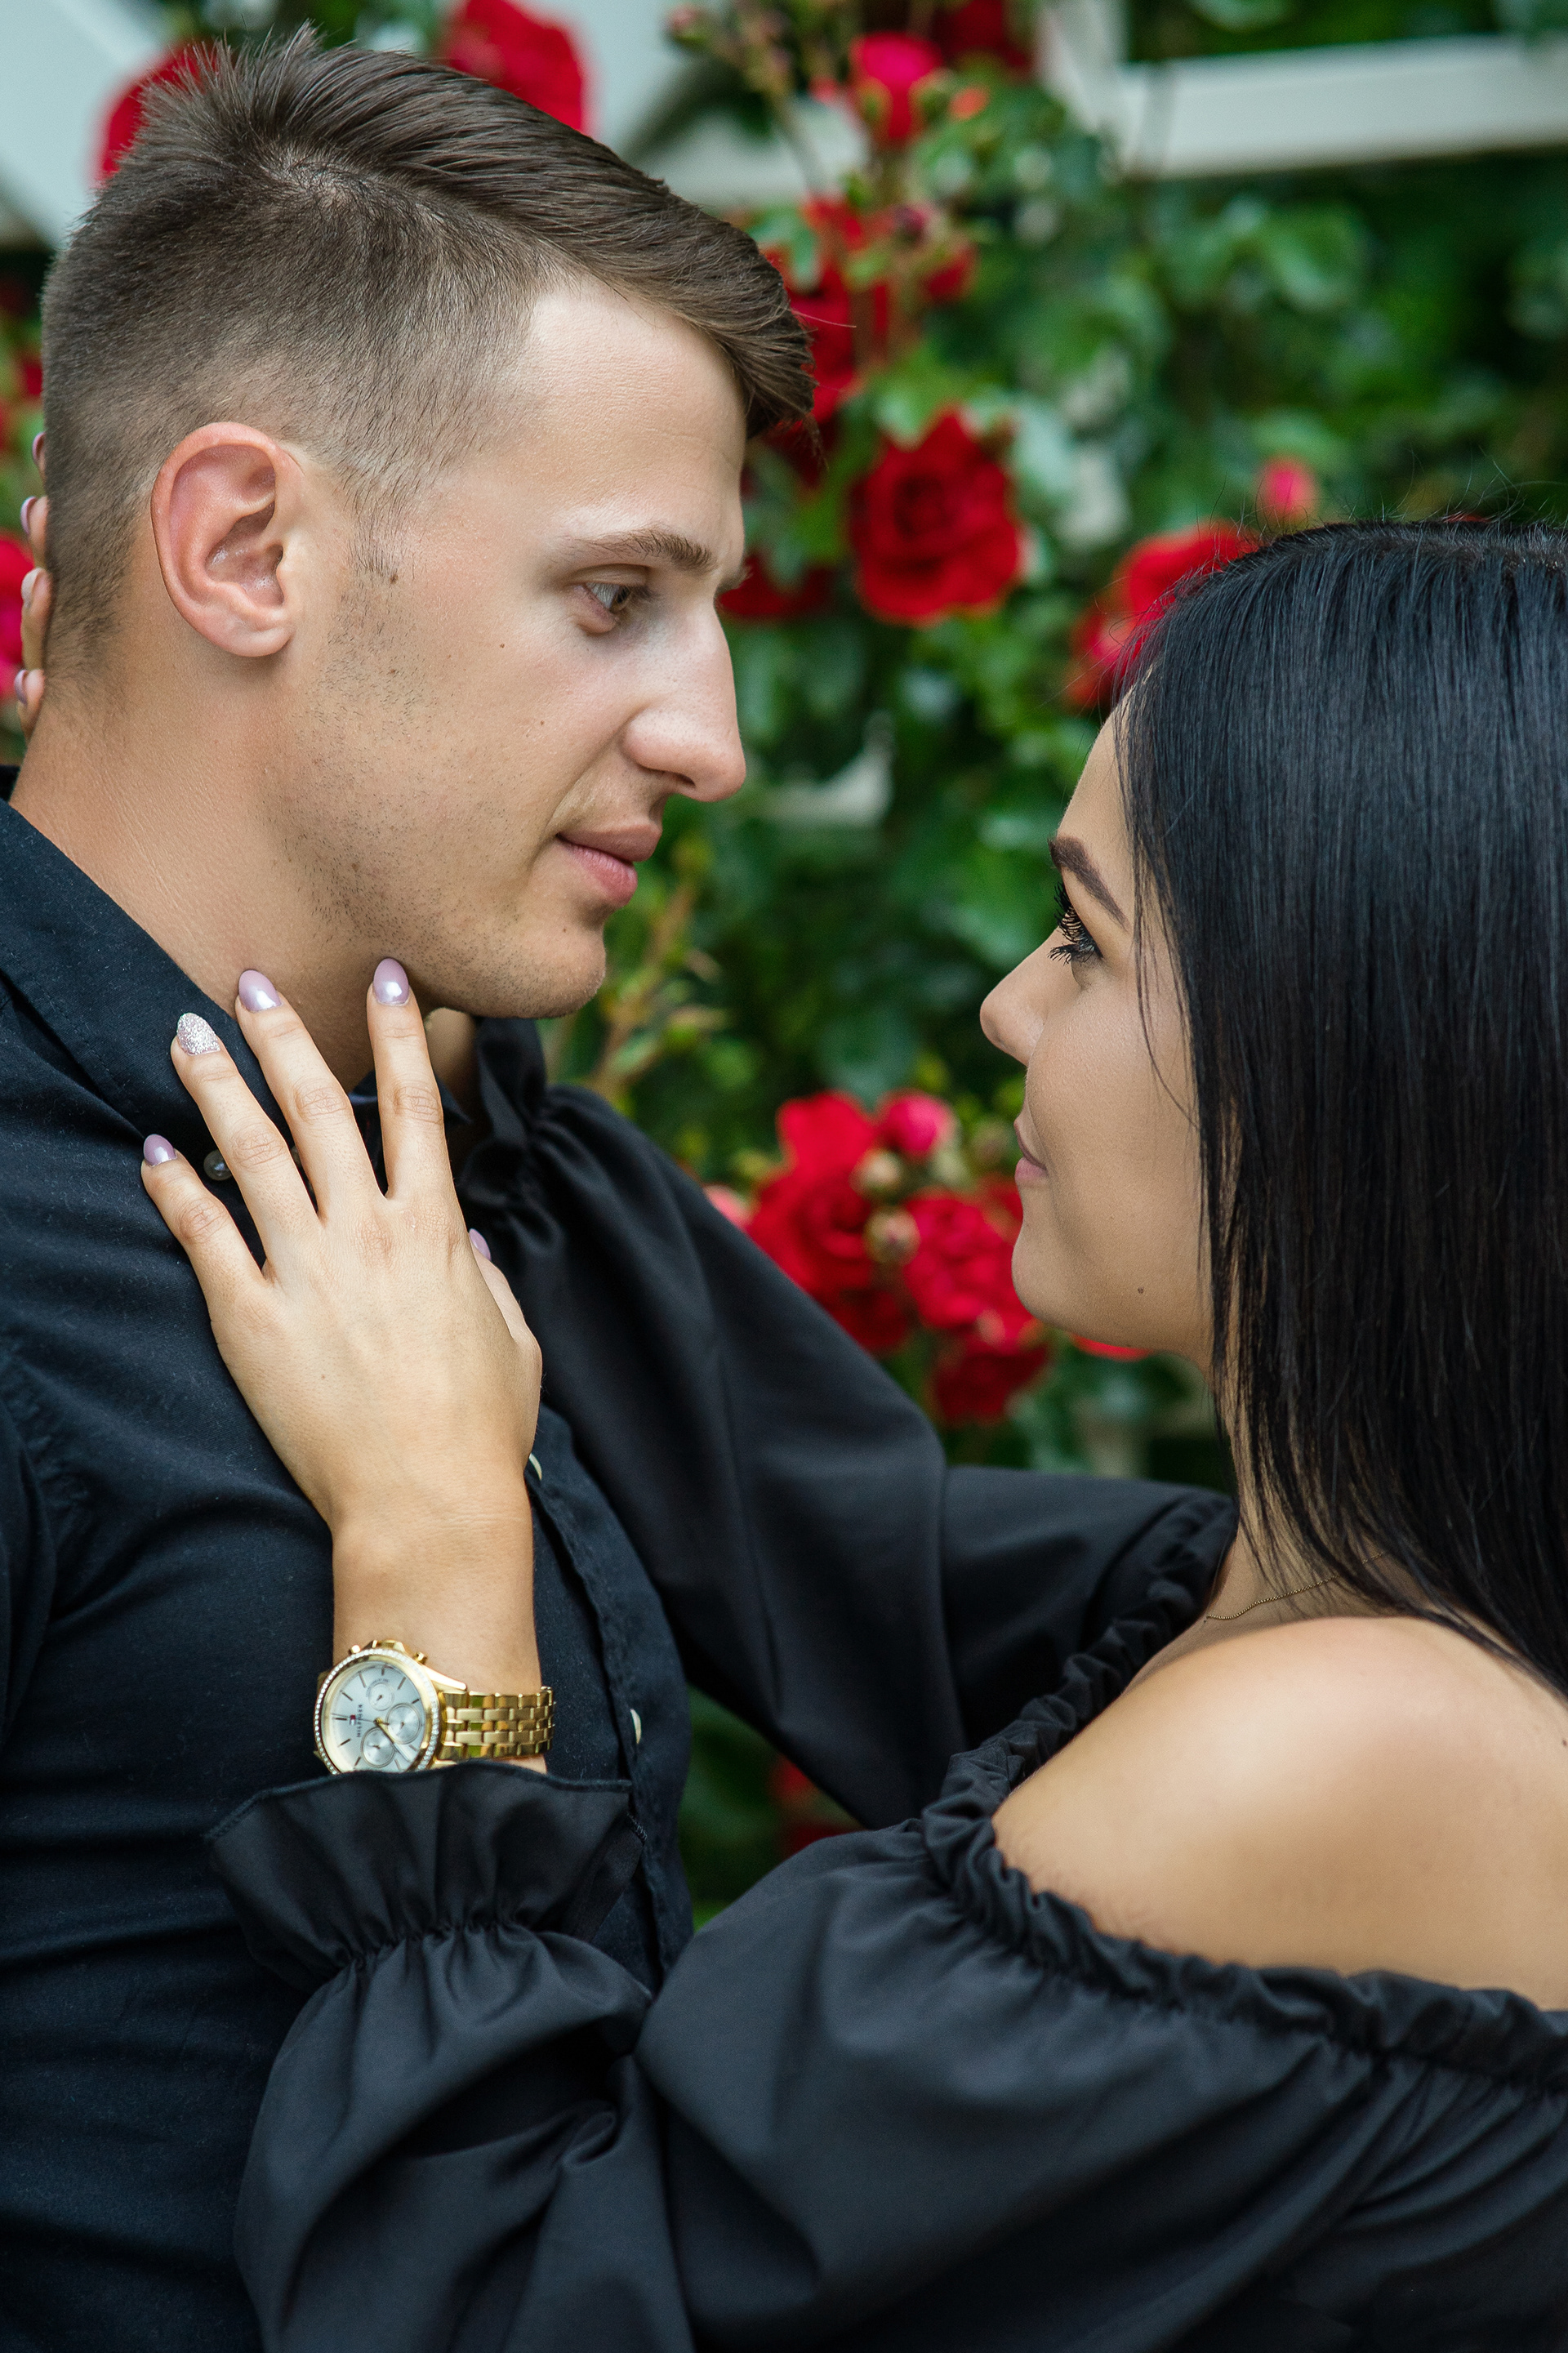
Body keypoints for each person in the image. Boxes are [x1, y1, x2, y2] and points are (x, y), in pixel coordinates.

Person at [0, 38, 1236, 2351]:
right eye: (613, 597)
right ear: (247, 549)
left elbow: (936, 1611)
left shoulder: (482, 1151)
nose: (715, 736)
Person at [147, 518, 1568, 2350]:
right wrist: (420, 1032)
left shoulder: (1339, 1746)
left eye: (1084, 939)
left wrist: (432, 1555)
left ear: (1341, 1054)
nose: (1008, 1005)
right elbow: (847, 1556)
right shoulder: (1345, 1615)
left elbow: (499, 2310)